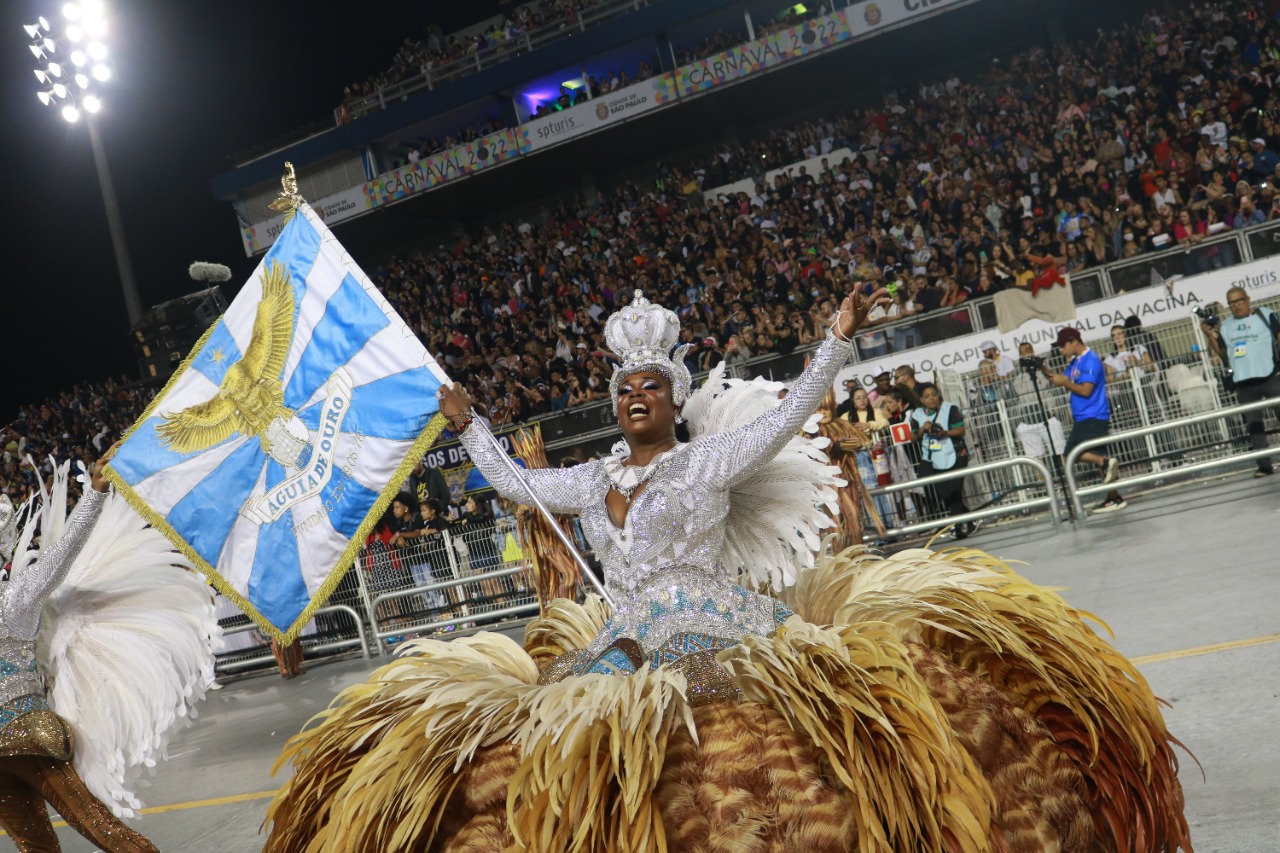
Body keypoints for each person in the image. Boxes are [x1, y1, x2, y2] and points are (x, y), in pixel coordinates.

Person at [267, 291, 1190, 853]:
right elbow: (513, 479)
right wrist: (467, 424)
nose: (636, 397)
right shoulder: (591, 478)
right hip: (622, 639)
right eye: (625, 388)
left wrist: (833, 341)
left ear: (673, 396)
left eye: (652, 387)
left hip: (717, 621)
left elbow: (789, 415)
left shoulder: (706, 460)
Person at [0, 450, 218, 851]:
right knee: (105, 831)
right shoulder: (14, 599)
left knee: (41, 847)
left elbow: (59, 557)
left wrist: (97, 496)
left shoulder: (14, 600)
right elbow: (61, 555)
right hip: (25, 735)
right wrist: (96, 494)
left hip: (22, 743)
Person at [1041, 326, 1125, 512]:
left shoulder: (1090, 360)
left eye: (1063, 346)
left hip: (1092, 415)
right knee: (1100, 459)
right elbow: (1060, 379)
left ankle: (1106, 467)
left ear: (1074, 341)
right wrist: (1039, 366)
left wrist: (1066, 383)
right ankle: (1114, 497)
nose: (1061, 350)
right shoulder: (1076, 362)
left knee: (1071, 454)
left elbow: (1086, 391)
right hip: (1086, 417)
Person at [1201, 286, 1280, 477]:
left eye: (1239, 301)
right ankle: (1264, 465)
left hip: (1270, 375)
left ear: (1248, 299)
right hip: (1243, 381)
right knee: (1254, 425)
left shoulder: (1266, 315)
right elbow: (1222, 354)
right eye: (1232, 303)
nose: (1236, 306)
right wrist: (1209, 335)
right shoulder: (1226, 327)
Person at [909, 382, 975, 538]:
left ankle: (957, 527)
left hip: (956, 455)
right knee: (941, 493)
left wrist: (945, 432)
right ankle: (969, 519)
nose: (931, 398)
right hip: (931, 458)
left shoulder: (950, 409)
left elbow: (961, 431)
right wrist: (923, 429)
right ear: (921, 399)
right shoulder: (916, 415)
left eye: (934, 394)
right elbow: (912, 438)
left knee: (954, 490)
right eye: (927, 396)